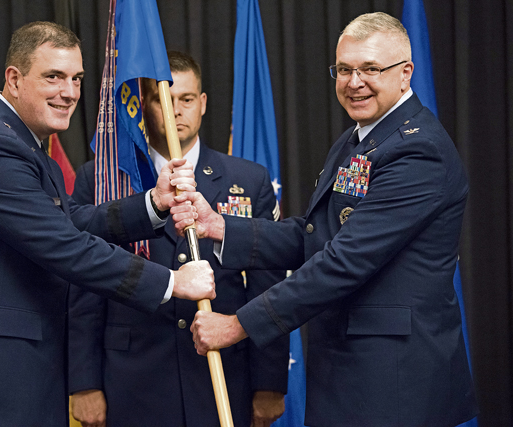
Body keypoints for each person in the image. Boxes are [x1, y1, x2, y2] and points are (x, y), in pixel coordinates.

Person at [176, 12, 479, 427]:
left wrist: (238, 325)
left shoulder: (418, 152)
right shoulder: (361, 137)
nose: (354, 82)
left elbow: (344, 260)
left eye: (370, 69)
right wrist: (221, 227)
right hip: (349, 370)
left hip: (394, 381)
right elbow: (317, 236)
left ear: (406, 73)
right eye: (344, 69)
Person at [0, 22, 216, 427]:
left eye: (76, 79)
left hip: (15, 378)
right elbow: (66, 246)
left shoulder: (23, 143)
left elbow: (70, 221)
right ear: (14, 80)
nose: (69, 92)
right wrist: (173, 282)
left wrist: (154, 204)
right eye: (53, 77)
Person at [68, 51, 289, 427]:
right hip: (132, 379)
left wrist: (269, 384)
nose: (176, 111)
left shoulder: (249, 180)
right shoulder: (105, 179)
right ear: (143, 106)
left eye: (186, 99)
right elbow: (84, 285)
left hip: (221, 376)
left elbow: (268, 286)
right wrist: (85, 383)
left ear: (202, 103)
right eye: (163, 100)